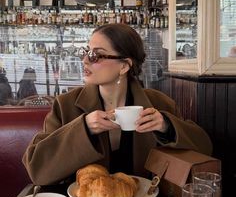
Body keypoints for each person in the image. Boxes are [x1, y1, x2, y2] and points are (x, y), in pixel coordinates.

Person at [22, 23, 212, 186]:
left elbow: (205, 149)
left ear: (124, 66)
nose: (85, 60)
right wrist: (84, 129)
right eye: (86, 52)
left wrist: (166, 126)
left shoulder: (158, 104)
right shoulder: (66, 105)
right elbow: (37, 170)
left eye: (96, 55)